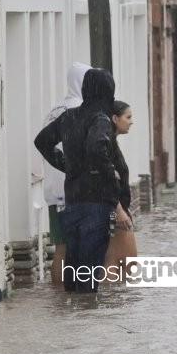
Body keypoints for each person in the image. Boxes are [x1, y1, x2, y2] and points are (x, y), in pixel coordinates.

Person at [33, 68, 120, 293]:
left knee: (74, 267)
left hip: (73, 201)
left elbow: (42, 141)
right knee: (90, 273)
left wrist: (67, 165)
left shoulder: (69, 116)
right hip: (97, 202)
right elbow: (97, 147)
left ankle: (75, 319)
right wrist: (111, 178)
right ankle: (87, 316)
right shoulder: (101, 119)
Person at [43, 62, 92, 287]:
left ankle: (59, 300)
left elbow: (45, 145)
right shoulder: (82, 111)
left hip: (55, 191)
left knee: (61, 249)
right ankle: (78, 301)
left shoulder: (55, 110)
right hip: (77, 189)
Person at [103, 101, 137, 278]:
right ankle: (110, 301)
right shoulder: (106, 144)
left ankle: (114, 301)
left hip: (118, 211)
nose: (131, 121)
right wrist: (118, 211)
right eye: (128, 117)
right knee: (119, 264)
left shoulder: (111, 142)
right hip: (115, 212)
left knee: (124, 264)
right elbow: (107, 180)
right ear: (115, 118)